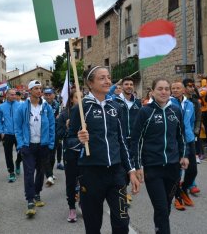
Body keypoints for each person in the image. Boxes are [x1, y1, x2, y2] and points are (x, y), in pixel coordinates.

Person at [69, 66, 139, 234]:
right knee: (93, 226)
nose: (108, 81)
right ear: (90, 83)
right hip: (91, 174)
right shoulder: (81, 108)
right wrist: (79, 140)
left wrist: (131, 170)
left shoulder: (116, 107)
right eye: (102, 78)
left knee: (122, 222)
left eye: (109, 77)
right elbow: (68, 140)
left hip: (117, 173)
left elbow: (122, 141)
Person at [131, 78, 188, 234]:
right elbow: (136, 140)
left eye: (166, 89)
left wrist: (184, 155)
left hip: (173, 168)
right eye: (160, 89)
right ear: (152, 92)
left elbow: (181, 136)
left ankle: (159, 230)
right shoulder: (145, 112)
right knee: (161, 208)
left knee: (166, 206)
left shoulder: (175, 111)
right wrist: (137, 166)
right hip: (152, 168)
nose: (164, 92)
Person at [14, 80, 55, 217]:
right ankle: (30, 200)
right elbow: (18, 127)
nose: (39, 91)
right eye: (36, 88)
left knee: (41, 171)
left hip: (43, 145)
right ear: (30, 90)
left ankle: (37, 193)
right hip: (28, 145)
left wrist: (50, 143)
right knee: (29, 172)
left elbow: (51, 126)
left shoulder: (46, 107)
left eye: (40, 88)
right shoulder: (22, 108)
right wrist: (20, 144)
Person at [112, 76, 142, 206]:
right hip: (120, 140)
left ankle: (123, 191)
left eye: (131, 84)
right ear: (122, 86)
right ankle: (122, 194)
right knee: (122, 169)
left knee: (132, 167)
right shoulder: (115, 101)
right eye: (126, 84)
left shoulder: (138, 103)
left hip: (134, 141)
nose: (129, 86)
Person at [170, 81, 196, 211]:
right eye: (173, 88)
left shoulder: (190, 104)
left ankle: (183, 189)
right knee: (177, 170)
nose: (175, 90)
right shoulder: (168, 103)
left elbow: (191, 122)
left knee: (192, 170)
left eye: (177, 88)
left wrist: (190, 134)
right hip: (175, 141)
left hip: (189, 140)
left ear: (183, 90)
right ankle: (177, 197)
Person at [57, 90, 82, 222]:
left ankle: (83, 202)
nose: (81, 100)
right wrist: (67, 127)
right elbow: (59, 135)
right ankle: (72, 207)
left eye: (83, 97)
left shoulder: (87, 113)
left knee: (86, 179)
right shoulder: (64, 115)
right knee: (71, 181)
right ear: (72, 99)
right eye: (78, 97)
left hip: (85, 153)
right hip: (71, 152)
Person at [0, 89, 22, 183]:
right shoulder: (2, 107)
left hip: (18, 134)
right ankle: (11, 172)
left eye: (15, 94)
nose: (14, 96)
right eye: (11, 94)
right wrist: (1, 131)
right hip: (7, 134)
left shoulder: (20, 105)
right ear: (7, 95)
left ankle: (18, 162)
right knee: (8, 154)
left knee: (22, 152)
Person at [43, 87, 62, 186]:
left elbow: (59, 117)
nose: (48, 96)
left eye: (49, 94)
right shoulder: (41, 104)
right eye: (46, 94)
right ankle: (49, 174)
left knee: (52, 154)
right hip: (44, 132)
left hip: (55, 132)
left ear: (54, 95)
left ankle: (50, 172)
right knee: (46, 154)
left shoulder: (58, 105)